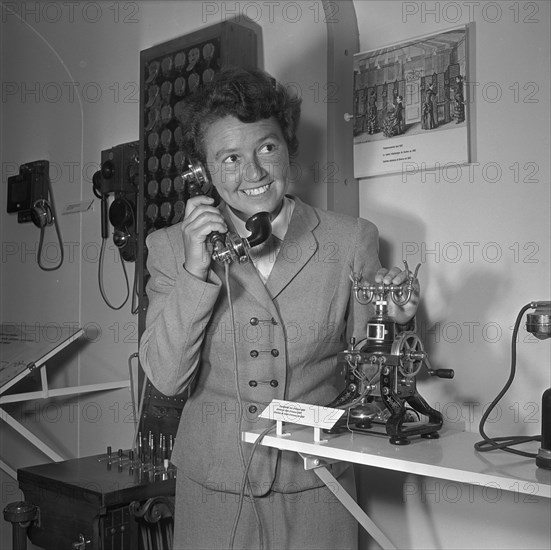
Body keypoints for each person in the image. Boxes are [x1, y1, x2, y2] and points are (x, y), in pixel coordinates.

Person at [139, 66, 419, 550]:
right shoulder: (169, 248)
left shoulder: (349, 239)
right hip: (213, 488)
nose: (253, 173)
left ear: (289, 148)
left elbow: (369, 376)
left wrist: (394, 320)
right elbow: (165, 377)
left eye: (266, 148)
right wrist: (193, 271)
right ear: (204, 173)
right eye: (229, 158)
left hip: (316, 483)